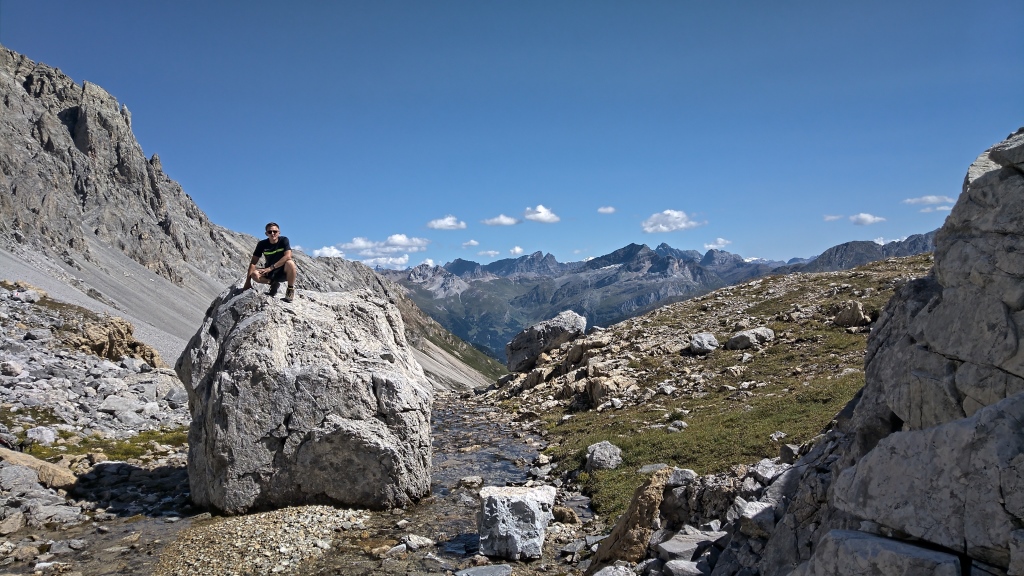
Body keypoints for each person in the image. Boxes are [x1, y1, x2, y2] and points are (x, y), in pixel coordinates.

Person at [242, 222, 297, 302]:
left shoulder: (283, 240)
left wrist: (271, 268)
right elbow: (253, 262)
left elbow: (288, 256)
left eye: (275, 231)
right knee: (255, 275)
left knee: (290, 263)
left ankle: (290, 291)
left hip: (282, 271)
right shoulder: (262, 244)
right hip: (270, 272)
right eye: (270, 232)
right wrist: (247, 282)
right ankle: (273, 283)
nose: (272, 233)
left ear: (279, 232)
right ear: (266, 233)